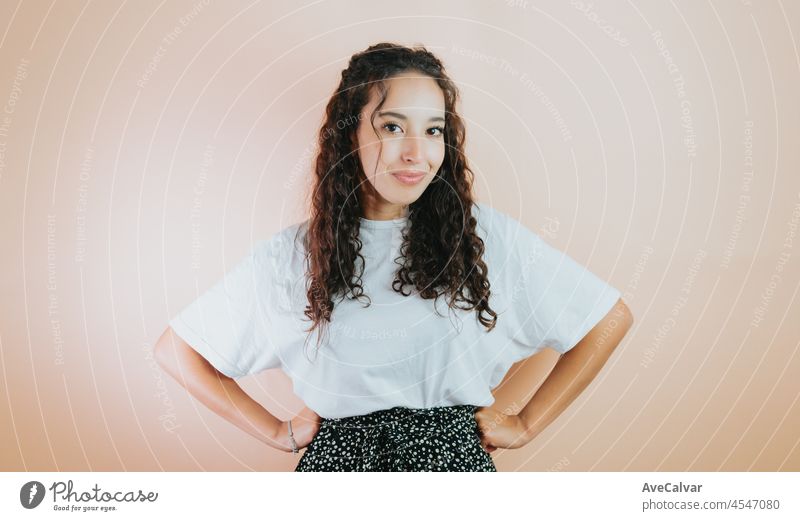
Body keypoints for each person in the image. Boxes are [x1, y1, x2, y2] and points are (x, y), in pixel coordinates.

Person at [154, 42, 633, 472]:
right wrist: (277, 433)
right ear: (349, 135)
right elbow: (177, 351)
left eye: (433, 130)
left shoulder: (486, 237)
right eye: (391, 126)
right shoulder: (291, 256)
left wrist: (526, 424)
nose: (416, 153)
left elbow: (608, 319)